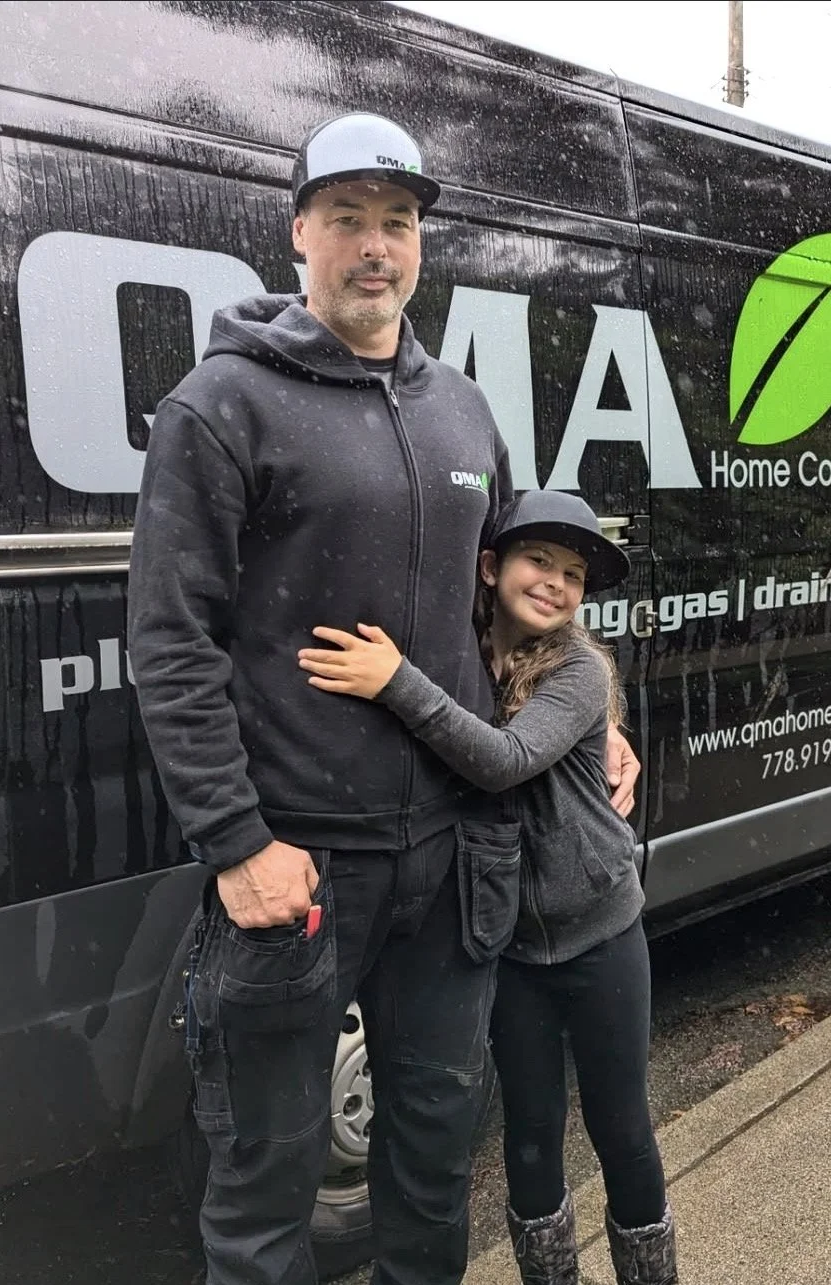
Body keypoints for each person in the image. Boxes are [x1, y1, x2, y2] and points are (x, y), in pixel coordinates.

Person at [128, 111, 641, 1285]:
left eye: (398, 223)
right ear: (299, 232)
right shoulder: (222, 405)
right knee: (265, 1182)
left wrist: (592, 715)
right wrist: (235, 841)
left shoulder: (461, 408)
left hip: (458, 859)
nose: (376, 245)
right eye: (348, 219)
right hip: (302, 869)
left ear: (420, 245)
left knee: (430, 1157)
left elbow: (521, 596)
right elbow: (169, 641)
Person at [298, 489, 678, 1285]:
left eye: (574, 573)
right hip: (505, 940)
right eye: (540, 560)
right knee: (530, 1135)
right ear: (489, 565)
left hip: (602, 933)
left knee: (622, 1129)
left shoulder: (579, 668)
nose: (557, 583)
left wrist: (395, 679)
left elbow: (502, 758)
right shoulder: (461, 652)